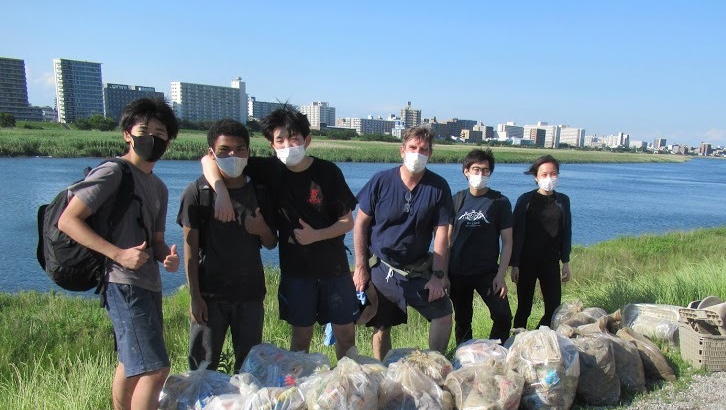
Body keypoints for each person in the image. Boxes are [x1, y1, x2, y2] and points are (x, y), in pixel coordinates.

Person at [57, 98, 180, 410]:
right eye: (145, 132)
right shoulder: (113, 173)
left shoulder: (157, 186)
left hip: (148, 282)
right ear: (128, 134)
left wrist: (166, 257)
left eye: (161, 134)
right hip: (122, 281)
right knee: (155, 369)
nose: (153, 140)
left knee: (130, 362)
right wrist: (118, 254)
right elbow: (69, 220)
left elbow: (155, 239)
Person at [204, 107, 358, 358]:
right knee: (301, 338)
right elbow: (209, 160)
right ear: (271, 144)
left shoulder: (328, 172)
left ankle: (349, 389)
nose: (288, 145)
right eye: (280, 140)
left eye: (295, 138)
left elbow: (347, 222)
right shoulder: (269, 170)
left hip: (335, 269)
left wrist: (316, 235)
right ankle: (299, 388)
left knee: (346, 335)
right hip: (297, 271)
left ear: (307, 140)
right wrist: (220, 190)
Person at [178, 119, 276, 373]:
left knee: (249, 367)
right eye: (224, 150)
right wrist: (195, 297)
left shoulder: (260, 191)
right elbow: (190, 249)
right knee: (203, 366)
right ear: (211, 153)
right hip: (210, 296)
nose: (233, 155)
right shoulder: (197, 192)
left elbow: (270, 242)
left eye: (239, 149)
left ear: (248, 152)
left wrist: (262, 229)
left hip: (250, 294)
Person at [353, 125, 454, 360]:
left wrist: (438, 276)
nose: (417, 153)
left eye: (423, 149)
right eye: (412, 147)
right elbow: (360, 225)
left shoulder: (438, 187)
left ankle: (435, 365)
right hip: (382, 266)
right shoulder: (381, 181)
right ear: (402, 150)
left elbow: (442, 233)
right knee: (381, 325)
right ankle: (384, 370)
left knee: (443, 312)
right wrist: (360, 267)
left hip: (417, 267)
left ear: (430, 154)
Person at [449, 148, 513, 344]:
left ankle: (495, 352)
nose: (480, 174)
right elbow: (446, 239)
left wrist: (501, 276)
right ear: (466, 171)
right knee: (463, 321)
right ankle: (465, 358)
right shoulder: (456, 200)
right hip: (458, 272)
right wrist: (441, 274)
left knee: (503, 316)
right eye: (476, 169)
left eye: (485, 170)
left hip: (487, 273)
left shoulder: (500, 202)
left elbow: (508, 241)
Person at [510, 154, 572, 329]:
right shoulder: (526, 200)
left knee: (553, 308)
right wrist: (514, 264)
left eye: (553, 174)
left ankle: (541, 338)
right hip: (526, 262)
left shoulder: (563, 201)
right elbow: (515, 232)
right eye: (544, 175)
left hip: (550, 261)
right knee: (524, 308)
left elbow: (566, 231)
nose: (549, 178)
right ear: (536, 177)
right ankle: (516, 341)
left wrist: (565, 262)